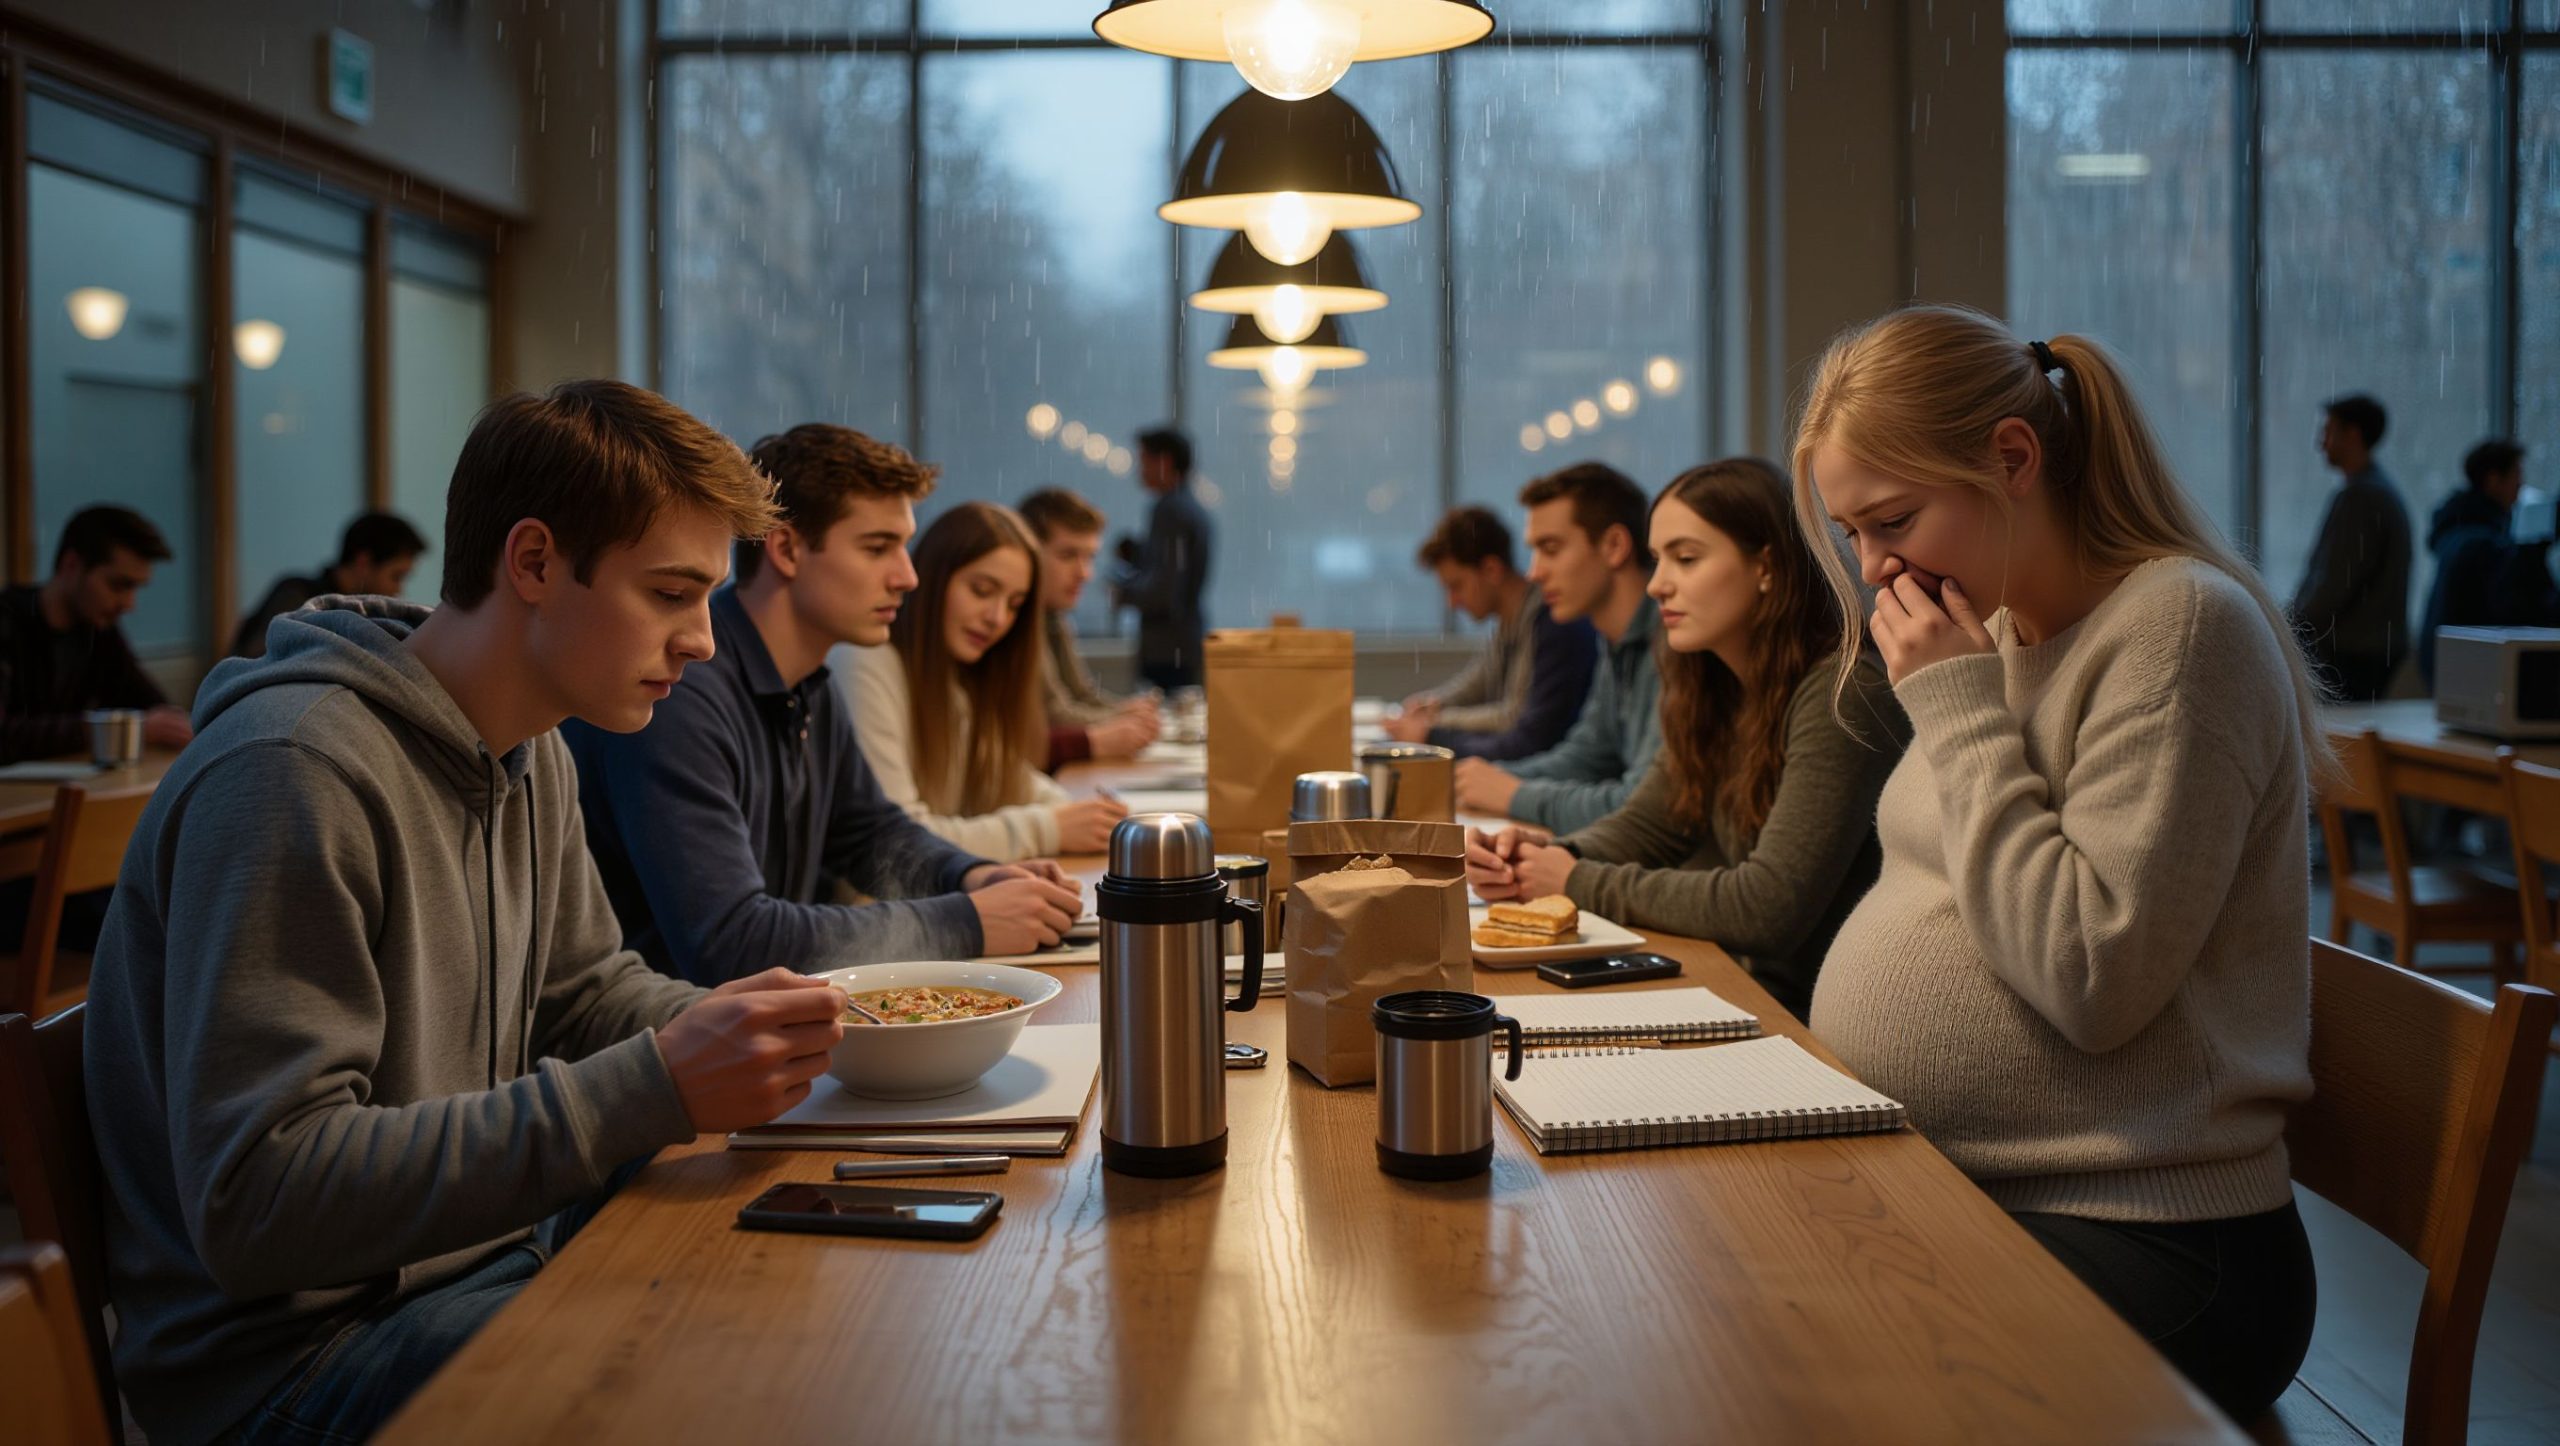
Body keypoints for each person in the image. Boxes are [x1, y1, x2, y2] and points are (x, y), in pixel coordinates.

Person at [83, 379, 855, 1446]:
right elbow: (261, 1200)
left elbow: (587, 993)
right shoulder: (291, 769)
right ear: (532, 562)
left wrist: (782, 1037)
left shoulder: (531, 748)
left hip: (486, 1263)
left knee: (815, 1304)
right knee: (746, 1384)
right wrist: (660, 1085)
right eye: (670, 594)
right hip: (294, 1361)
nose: (703, 642)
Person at [1796, 306, 2325, 1422]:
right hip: (1974, 1185)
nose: (1875, 568)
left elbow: (2092, 977)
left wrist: (1954, 709)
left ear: (2012, 458)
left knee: (1800, 1376)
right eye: (1851, 533)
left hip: (2155, 1234)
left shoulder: (2180, 631)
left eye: (1892, 521)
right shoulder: (1998, 633)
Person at [566, 425, 1084, 985]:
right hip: (677, 1029)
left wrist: (972, 877)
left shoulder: (809, 681)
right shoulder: (678, 690)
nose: (908, 577)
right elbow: (732, 943)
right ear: (786, 549)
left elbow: (868, 832)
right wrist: (969, 921)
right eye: (878, 548)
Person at [1466, 460, 1908, 1020]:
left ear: (1766, 566)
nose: (1657, 585)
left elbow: (1766, 907)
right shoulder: (1713, 685)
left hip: (1811, 1015)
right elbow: (1650, 825)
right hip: (1744, 985)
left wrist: (1575, 878)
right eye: (1658, 560)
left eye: (1687, 558)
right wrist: (1545, 856)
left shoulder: (1843, 692)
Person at [842, 501, 1127, 861]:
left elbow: (1005, 775)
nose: (997, 618)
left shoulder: (954, 679)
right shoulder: (867, 663)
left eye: (1014, 604)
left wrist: (1082, 815)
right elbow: (897, 844)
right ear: (931, 579)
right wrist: (1050, 827)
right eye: (981, 590)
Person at [1451, 463, 1662, 834]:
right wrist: (1488, 778)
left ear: (1614, 546)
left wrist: (1514, 793)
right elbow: (1586, 757)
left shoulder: (1673, 642)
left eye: (1550, 549)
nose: (1534, 572)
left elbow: (1645, 809)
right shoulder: (1614, 641)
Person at [1386, 505, 1597, 761]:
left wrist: (1433, 725)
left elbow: (1516, 719)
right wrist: (1431, 704)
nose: (1452, 602)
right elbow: (1477, 683)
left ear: (1491, 570)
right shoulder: (1510, 621)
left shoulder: (1553, 621)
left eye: (1456, 586)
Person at [0, 505, 193, 762]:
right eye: (118, 585)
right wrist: (123, 729)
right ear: (71, 565)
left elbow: (153, 707)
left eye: (135, 588)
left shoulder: (98, 630)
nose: (129, 604)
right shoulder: (7, 620)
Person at [1016, 486, 1161, 768]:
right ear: (1028, 554)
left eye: (1089, 557)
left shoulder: (1054, 616)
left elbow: (1081, 695)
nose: (1084, 573)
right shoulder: (1017, 620)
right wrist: (1121, 721)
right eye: (1068, 555)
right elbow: (1054, 716)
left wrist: (1125, 712)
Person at [2290, 392, 2412, 701]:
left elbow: (2334, 583)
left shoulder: (2362, 498)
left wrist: (2290, 627)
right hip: (2369, 649)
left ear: (2353, 434)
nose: (2321, 442)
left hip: (2352, 652)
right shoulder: (2378, 492)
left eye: (2328, 431)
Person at [2418, 439, 2557, 686]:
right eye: (2516, 475)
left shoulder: (2458, 533)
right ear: (2493, 480)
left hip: (2448, 664)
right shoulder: (2483, 545)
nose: (2520, 485)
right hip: (2471, 669)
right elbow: (2511, 601)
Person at [230, 510, 431, 658]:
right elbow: (260, 659)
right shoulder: (296, 597)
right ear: (363, 562)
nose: (398, 590)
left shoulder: (368, 616)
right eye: (396, 576)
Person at [1111, 425, 1212, 691]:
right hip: (1181, 642)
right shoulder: (1188, 507)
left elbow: (1166, 589)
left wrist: (1123, 593)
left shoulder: (1172, 510)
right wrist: (1138, 554)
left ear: (1164, 462)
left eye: (1144, 461)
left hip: (1168, 646)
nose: (1139, 470)